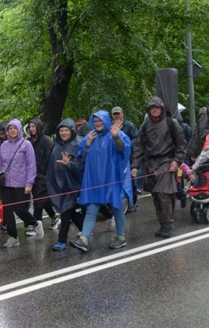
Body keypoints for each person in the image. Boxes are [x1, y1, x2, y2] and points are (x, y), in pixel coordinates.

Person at [70, 110, 132, 252]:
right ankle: (84, 239)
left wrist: (116, 137)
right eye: (95, 121)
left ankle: (120, 237)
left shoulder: (115, 133)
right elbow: (82, 158)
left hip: (112, 179)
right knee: (91, 209)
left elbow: (124, 151)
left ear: (105, 121)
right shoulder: (89, 137)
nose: (97, 123)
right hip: (95, 180)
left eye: (100, 121)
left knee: (116, 207)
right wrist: (86, 145)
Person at [131, 97, 186, 238]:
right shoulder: (145, 125)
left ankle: (168, 224)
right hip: (150, 164)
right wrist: (135, 165)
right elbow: (138, 146)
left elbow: (181, 144)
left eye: (157, 107)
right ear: (149, 110)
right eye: (152, 107)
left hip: (166, 162)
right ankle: (162, 223)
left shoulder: (171, 123)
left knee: (163, 194)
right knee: (155, 195)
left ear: (161, 109)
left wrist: (177, 161)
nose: (154, 109)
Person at [0, 118, 43, 247]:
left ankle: (35, 223)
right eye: (10, 129)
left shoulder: (26, 144)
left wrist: (29, 183)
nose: (12, 131)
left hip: (21, 183)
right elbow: (1, 165)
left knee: (20, 210)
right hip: (6, 184)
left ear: (19, 130)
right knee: (7, 210)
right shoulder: (3, 145)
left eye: (14, 128)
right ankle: (13, 236)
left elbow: (31, 165)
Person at [47, 119, 84, 251]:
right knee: (69, 210)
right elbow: (51, 165)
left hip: (72, 184)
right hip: (58, 183)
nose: (63, 133)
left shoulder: (78, 143)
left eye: (66, 130)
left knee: (65, 210)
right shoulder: (56, 144)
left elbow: (82, 166)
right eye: (61, 130)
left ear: (72, 130)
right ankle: (85, 229)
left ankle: (62, 239)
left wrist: (69, 164)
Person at [28, 118, 60, 230]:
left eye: (33, 126)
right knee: (43, 199)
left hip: (44, 175)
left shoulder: (47, 140)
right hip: (33, 175)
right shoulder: (29, 141)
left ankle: (37, 224)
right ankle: (53, 217)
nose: (32, 129)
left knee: (38, 199)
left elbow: (51, 158)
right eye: (30, 126)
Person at [111, 106, 140, 212]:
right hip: (116, 160)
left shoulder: (130, 126)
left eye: (118, 113)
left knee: (131, 182)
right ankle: (120, 204)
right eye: (114, 114)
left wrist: (125, 145)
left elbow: (136, 139)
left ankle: (132, 203)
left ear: (122, 114)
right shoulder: (110, 127)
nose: (116, 115)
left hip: (129, 159)